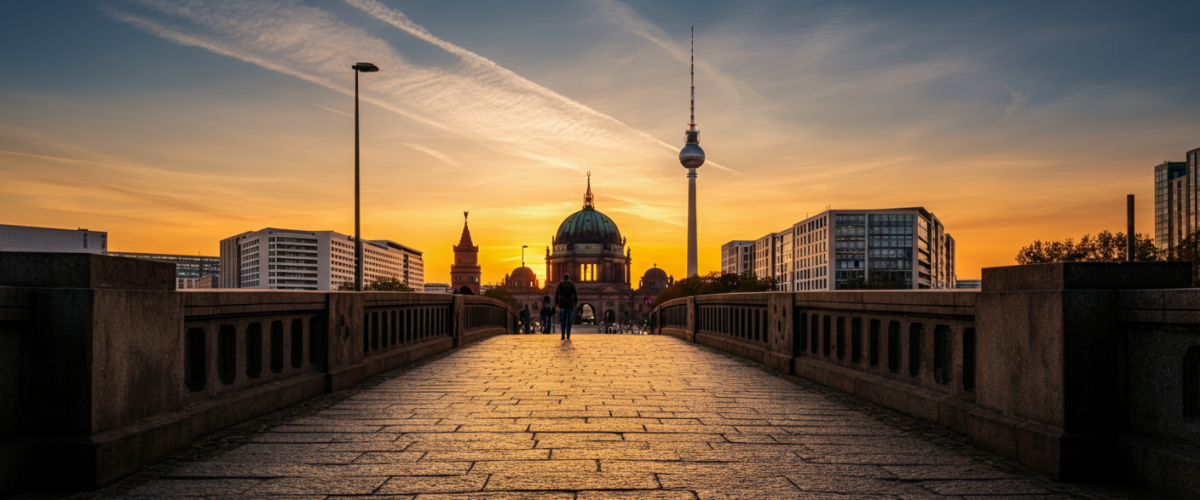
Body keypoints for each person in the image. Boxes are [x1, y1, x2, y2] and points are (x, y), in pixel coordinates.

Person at [555, 273, 578, 340]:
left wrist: (557, 303)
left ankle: (562, 335)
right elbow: (575, 295)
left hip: (562, 305)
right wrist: (575, 303)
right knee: (569, 322)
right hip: (570, 305)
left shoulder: (560, 285)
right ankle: (568, 335)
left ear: (563, 278)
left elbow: (557, 294)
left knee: (563, 322)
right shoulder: (571, 285)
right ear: (568, 278)